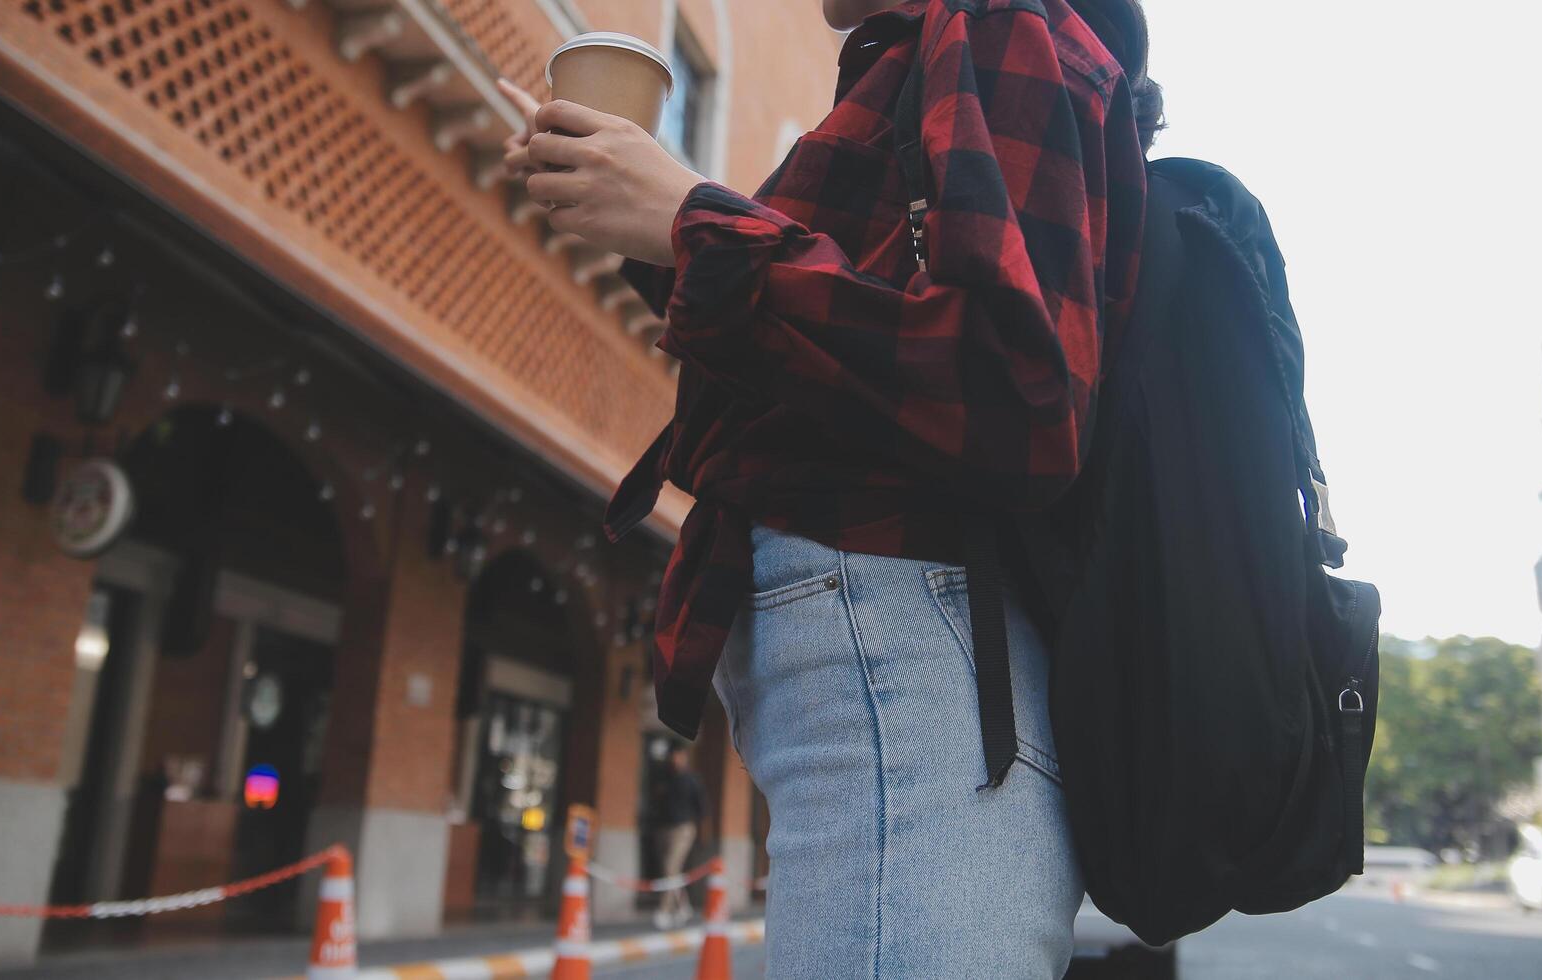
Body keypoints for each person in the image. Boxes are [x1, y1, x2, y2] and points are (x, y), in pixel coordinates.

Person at [498, 1, 1161, 974]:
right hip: (904, 653)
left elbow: (1017, 392)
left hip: (906, 643)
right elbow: (844, 354)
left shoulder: (989, 21)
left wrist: (698, 225)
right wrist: (659, 228)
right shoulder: (920, 54)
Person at [648, 743, 705, 929]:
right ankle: (684, 906)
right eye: (673, 756)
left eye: (679, 755)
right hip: (664, 828)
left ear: (685, 757)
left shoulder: (692, 780)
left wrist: (702, 833)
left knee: (671, 867)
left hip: (684, 829)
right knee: (671, 870)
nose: (675, 759)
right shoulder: (663, 778)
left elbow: (702, 808)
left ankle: (664, 911)